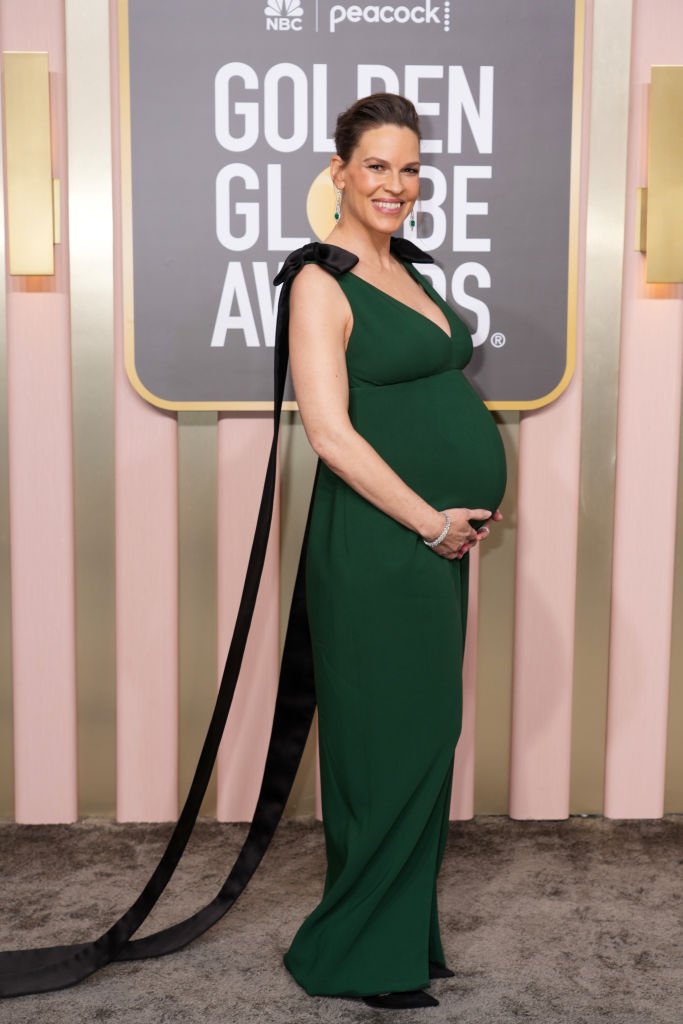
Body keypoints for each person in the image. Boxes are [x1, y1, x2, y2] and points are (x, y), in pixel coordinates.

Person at [280, 93, 507, 1010]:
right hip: (381, 547)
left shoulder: (408, 268)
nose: (396, 185)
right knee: (383, 745)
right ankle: (355, 953)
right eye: (377, 165)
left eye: (409, 168)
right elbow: (329, 435)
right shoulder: (318, 284)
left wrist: (464, 513)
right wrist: (431, 520)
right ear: (338, 172)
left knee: (425, 735)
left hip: (432, 548)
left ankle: (399, 934)